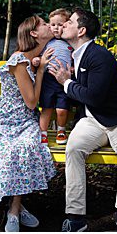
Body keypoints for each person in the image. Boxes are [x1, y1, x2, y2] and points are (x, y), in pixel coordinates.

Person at [47, 8, 117, 232]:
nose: (64, 25)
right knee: (74, 148)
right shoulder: (74, 54)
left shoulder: (99, 56)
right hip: (91, 120)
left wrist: (66, 82)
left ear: (81, 30)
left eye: (69, 22)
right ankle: (76, 217)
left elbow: (94, 97)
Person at [0, 16, 59, 232]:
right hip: (4, 120)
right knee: (7, 149)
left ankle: (15, 208)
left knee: (25, 147)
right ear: (34, 34)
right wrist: (40, 71)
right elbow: (30, 102)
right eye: (44, 24)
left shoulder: (36, 56)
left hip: (25, 121)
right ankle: (15, 209)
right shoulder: (19, 60)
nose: (50, 25)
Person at [39, 8, 76, 145]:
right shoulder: (47, 41)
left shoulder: (70, 43)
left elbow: (76, 58)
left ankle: (61, 130)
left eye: (60, 25)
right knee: (46, 108)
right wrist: (37, 60)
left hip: (64, 81)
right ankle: (43, 133)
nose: (56, 28)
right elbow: (38, 54)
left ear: (66, 25)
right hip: (48, 79)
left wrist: (73, 67)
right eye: (53, 25)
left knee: (62, 109)